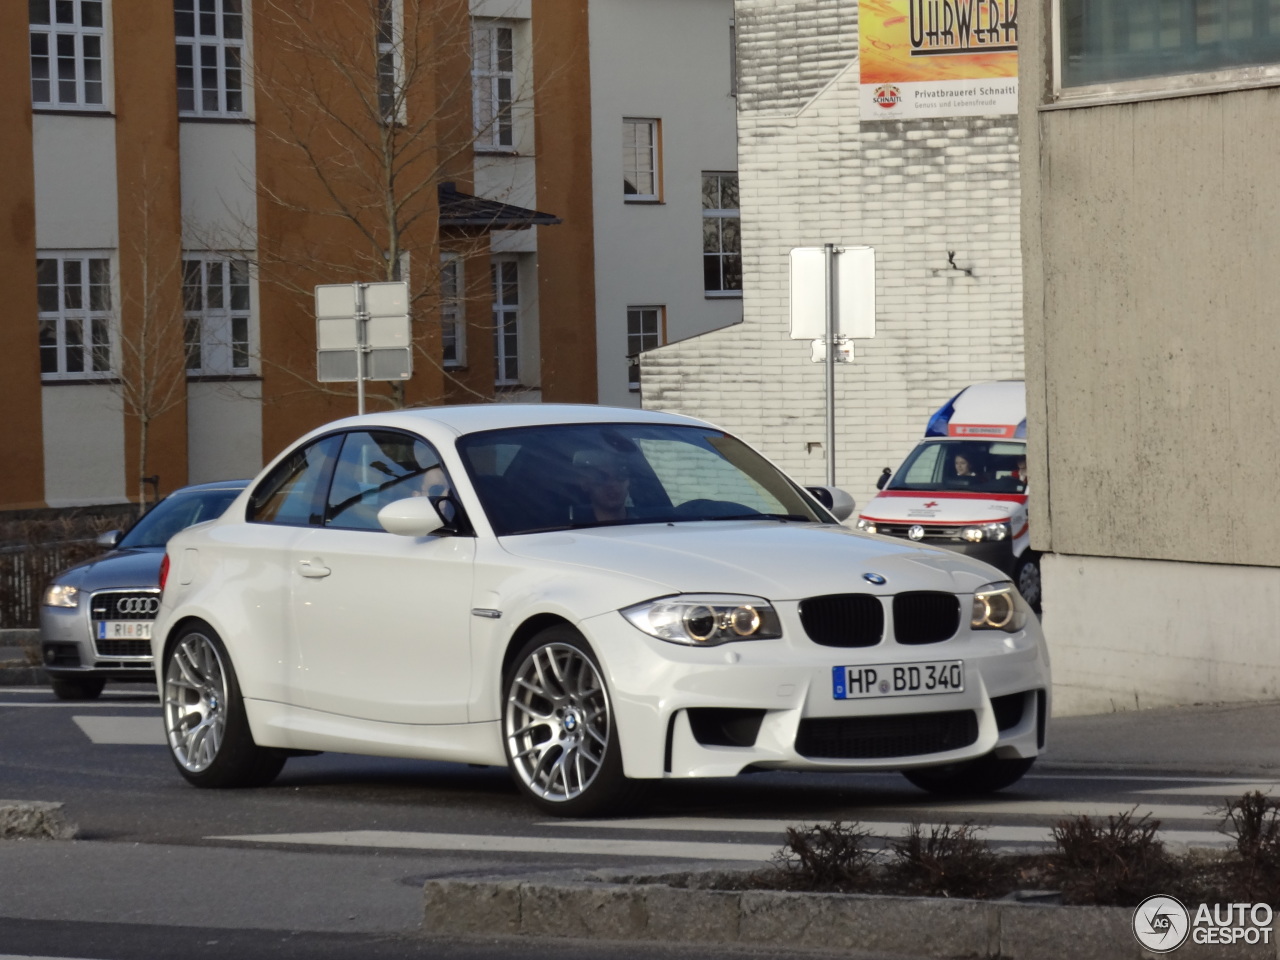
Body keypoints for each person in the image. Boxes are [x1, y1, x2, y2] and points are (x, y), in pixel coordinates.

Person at [574, 450, 631, 523]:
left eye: (620, 476)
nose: (612, 483)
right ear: (585, 484)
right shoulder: (568, 531)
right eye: (601, 477)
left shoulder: (648, 525)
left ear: (628, 482)